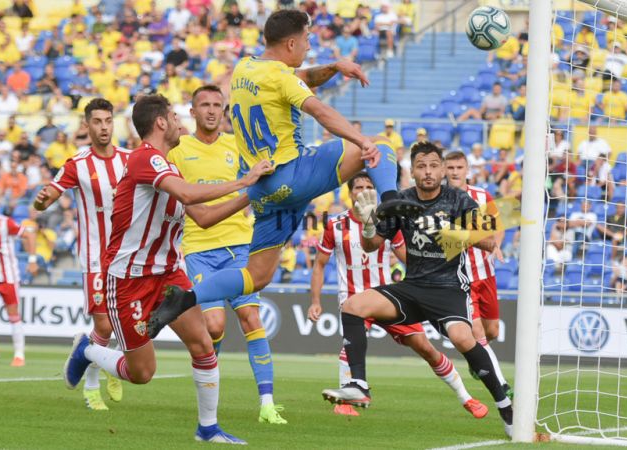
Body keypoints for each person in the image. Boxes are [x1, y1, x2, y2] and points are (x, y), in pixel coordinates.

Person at [147, 10, 422, 337]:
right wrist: (361, 141)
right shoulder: (281, 77)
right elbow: (320, 110)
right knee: (382, 144)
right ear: (291, 43)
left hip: (264, 190)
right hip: (293, 173)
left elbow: (298, 78)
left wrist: (335, 67)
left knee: (256, 276)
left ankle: (187, 298)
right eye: (306, 39)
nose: (309, 45)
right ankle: (390, 204)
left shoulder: (245, 68)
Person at [62, 94, 272, 445]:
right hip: (129, 279)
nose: (179, 122)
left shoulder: (169, 169)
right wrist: (244, 181)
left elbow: (203, 218)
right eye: (174, 116)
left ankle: (208, 429)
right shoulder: (145, 158)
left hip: (169, 274)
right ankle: (87, 349)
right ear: (160, 122)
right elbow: (189, 196)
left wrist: (250, 197)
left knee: (203, 344)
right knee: (142, 373)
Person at [321, 142, 513, 438]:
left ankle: (506, 409)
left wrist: (444, 229)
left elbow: (488, 241)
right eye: (421, 167)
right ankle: (358, 385)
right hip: (413, 287)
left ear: (442, 169)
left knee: (464, 338)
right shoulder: (401, 201)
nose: (428, 172)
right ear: (412, 171)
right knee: (353, 306)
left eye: (434, 166)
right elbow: (372, 246)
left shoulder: (458, 199)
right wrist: (370, 225)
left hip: (449, 288)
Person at [309, 172, 487, 419]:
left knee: (425, 348)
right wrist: (315, 301)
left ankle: (466, 397)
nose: (363, 191)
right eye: (358, 187)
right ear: (350, 193)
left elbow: (410, 258)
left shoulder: (387, 221)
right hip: (353, 297)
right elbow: (319, 264)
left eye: (369, 186)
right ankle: (347, 400)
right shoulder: (335, 225)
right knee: (349, 347)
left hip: (387, 298)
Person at [166, 85, 287, 425]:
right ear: (192, 112)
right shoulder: (178, 151)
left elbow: (266, 181)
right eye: (204, 104)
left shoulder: (238, 146)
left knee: (251, 318)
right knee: (214, 326)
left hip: (240, 245)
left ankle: (267, 403)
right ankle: (210, 386)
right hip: (199, 249)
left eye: (217, 105)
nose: (211, 110)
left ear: (224, 111)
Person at [33, 99, 130, 411]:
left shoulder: (129, 159)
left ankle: (112, 362)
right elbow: (49, 195)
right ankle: (91, 388)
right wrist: (41, 201)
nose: (103, 127)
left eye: (108, 121)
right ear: (87, 125)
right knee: (103, 326)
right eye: (97, 121)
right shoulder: (78, 163)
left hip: (128, 255)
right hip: (95, 256)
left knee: (127, 322)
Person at [444, 151, 512, 397]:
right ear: (444, 170)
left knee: (492, 331)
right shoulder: (439, 201)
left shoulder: (483, 196)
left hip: (486, 274)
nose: (455, 172)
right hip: (461, 279)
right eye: (450, 167)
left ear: (467, 170)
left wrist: (495, 246)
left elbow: (498, 226)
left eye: (459, 167)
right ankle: (502, 386)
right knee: (478, 332)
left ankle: (477, 358)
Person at [0, 195, 37, 366]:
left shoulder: (6, 223)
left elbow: (29, 235)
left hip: (8, 277)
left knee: (13, 314)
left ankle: (19, 354)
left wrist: (32, 260)